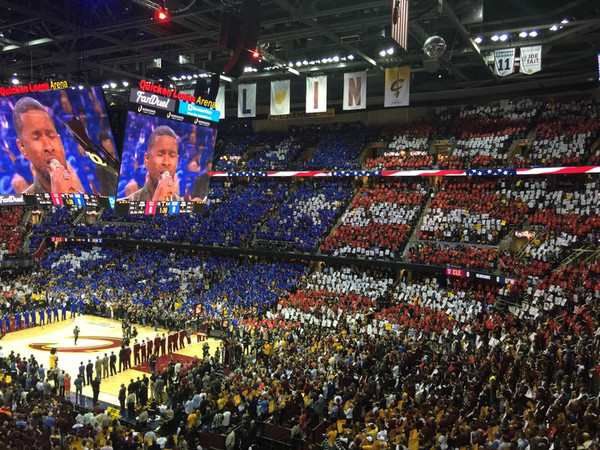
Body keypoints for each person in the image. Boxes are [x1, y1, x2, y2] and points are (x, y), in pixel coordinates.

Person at [12, 96, 82, 194]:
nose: (49, 147)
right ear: (22, 148)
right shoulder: (22, 205)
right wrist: (60, 202)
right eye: (36, 138)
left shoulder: (85, 199)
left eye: (51, 136)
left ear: (59, 139)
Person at [119, 125, 181, 202]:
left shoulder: (182, 206)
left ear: (177, 162)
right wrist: (156, 202)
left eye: (172, 155)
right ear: (146, 160)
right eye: (160, 154)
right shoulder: (125, 204)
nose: (166, 162)